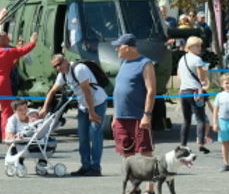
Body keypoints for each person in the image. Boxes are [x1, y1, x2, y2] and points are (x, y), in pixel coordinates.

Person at [41, 54, 108, 177]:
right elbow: (52, 91)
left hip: (97, 103)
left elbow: (87, 91)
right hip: (83, 106)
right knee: (82, 137)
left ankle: (95, 167)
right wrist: (45, 108)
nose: (58, 67)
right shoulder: (63, 75)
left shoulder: (79, 69)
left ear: (65, 60)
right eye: (55, 66)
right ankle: (85, 166)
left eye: (59, 63)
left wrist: (92, 112)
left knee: (94, 134)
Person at [0, 30, 37, 144]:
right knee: (6, 109)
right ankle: (6, 135)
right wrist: (32, 42)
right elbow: (22, 51)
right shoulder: (6, 51)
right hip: (2, 81)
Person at [111, 33, 157, 164]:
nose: (116, 49)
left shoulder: (145, 64)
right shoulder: (123, 63)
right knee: (126, 151)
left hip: (138, 116)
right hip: (121, 117)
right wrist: (115, 116)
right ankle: (135, 184)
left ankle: (150, 183)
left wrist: (147, 115)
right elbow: (118, 91)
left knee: (145, 151)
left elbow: (151, 90)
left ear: (127, 47)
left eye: (118, 47)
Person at [178, 35, 211, 154]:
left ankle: (183, 145)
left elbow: (179, 75)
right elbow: (201, 76)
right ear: (190, 47)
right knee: (200, 119)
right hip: (195, 91)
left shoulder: (182, 59)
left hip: (183, 91)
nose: (199, 48)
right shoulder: (197, 60)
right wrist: (204, 84)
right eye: (197, 45)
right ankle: (201, 144)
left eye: (199, 45)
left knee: (186, 120)